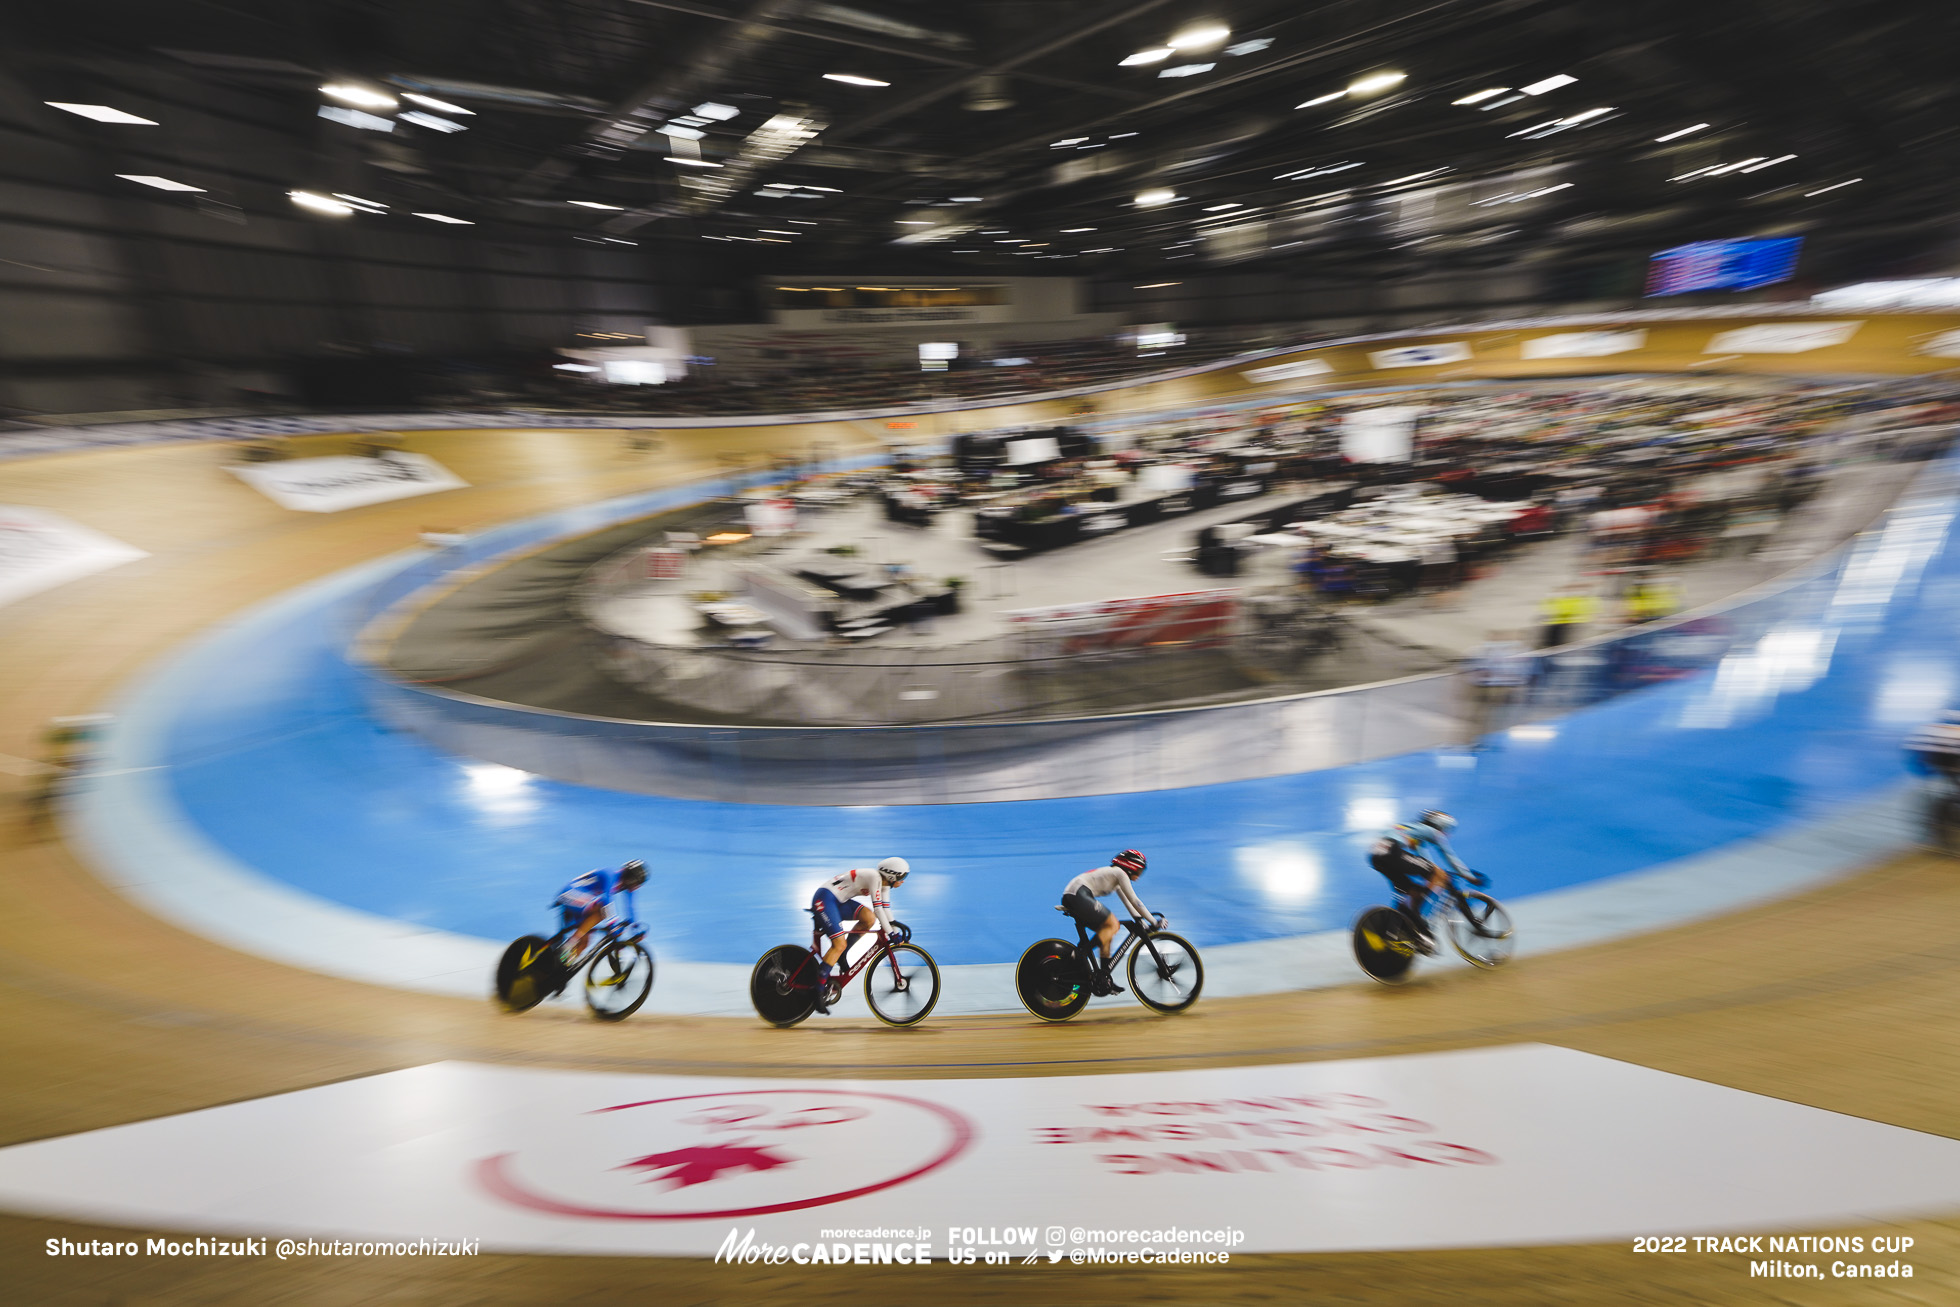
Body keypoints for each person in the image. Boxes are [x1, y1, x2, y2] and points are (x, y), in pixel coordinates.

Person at [810, 857, 910, 1014]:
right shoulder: (875, 877)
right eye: (902, 877)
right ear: (891, 876)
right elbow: (879, 909)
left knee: (869, 919)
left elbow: (886, 911)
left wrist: (895, 932)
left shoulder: (884, 885)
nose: (904, 881)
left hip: (839, 900)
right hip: (825, 899)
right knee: (839, 943)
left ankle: (842, 955)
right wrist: (891, 933)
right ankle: (818, 990)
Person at [1368, 812, 1479, 952]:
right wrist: (1468, 876)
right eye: (1446, 830)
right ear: (1440, 825)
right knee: (1437, 875)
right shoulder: (1431, 831)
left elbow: (1423, 860)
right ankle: (1422, 925)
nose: (1446, 834)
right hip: (1392, 851)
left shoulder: (1413, 830)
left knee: (1413, 892)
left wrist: (1435, 872)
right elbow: (1448, 856)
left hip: (1376, 856)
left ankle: (1406, 927)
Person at [1060, 850, 1157, 993]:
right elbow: (1136, 901)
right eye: (1138, 872)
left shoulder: (1116, 877)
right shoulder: (1120, 873)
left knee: (1107, 931)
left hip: (1075, 894)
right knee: (1113, 925)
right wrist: (1154, 922)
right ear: (1130, 866)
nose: (1137, 877)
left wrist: (1139, 920)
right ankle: (1081, 953)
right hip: (1077, 894)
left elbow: (1129, 903)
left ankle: (1104, 978)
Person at [554, 860, 647, 965]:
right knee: (601, 910)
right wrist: (613, 924)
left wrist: (634, 927)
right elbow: (606, 899)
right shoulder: (610, 874)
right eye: (636, 883)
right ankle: (569, 945)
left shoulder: (626, 885)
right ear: (630, 878)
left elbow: (630, 907)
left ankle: (561, 966)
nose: (637, 887)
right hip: (569, 893)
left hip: (583, 901)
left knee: (584, 943)